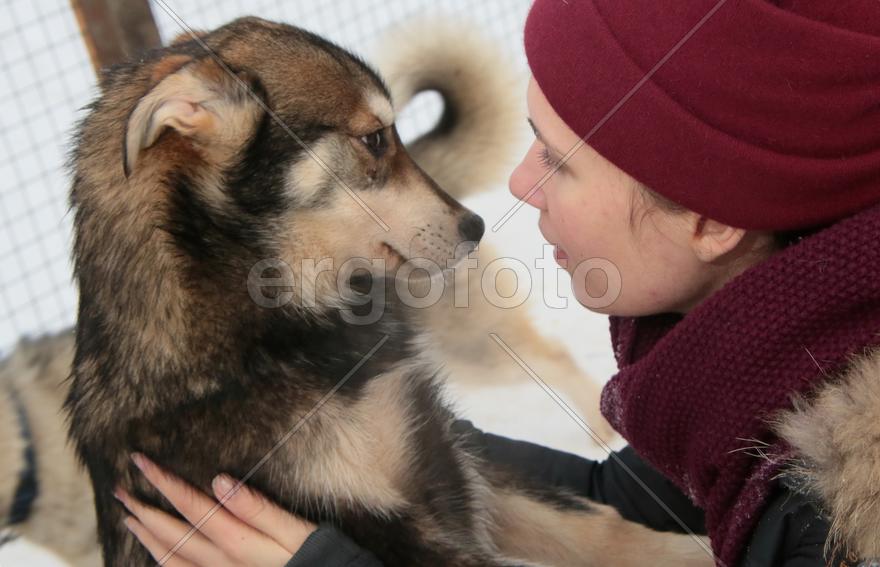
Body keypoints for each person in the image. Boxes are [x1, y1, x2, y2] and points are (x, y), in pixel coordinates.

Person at [116, 1, 880, 565]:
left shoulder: (830, 519)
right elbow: (630, 500)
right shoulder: (756, 379)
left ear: (710, 219)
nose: (517, 182)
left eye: (557, 160)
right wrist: (382, 444)